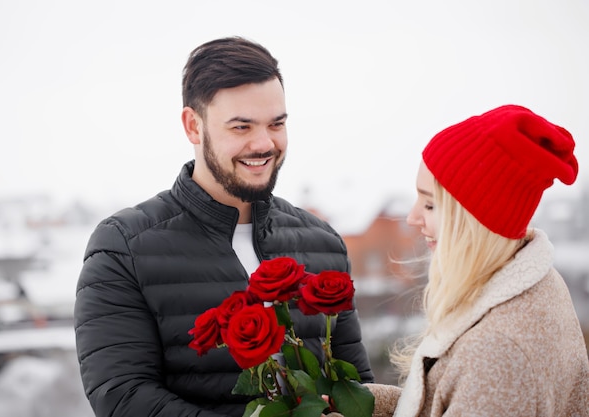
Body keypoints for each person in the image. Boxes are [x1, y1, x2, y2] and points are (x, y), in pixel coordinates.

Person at [73, 36, 374, 417]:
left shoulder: (323, 242)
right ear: (193, 126)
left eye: (276, 124)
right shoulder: (123, 247)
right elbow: (123, 397)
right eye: (241, 127)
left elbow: (356, 387)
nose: (264, 143)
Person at [364, 104, 589, 417]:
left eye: (430, 205)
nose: (412, 217)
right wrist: (359, 404)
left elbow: (485, 390)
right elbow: (455, 399)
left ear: (474, 221)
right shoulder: (535, 282)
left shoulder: (498, 353)